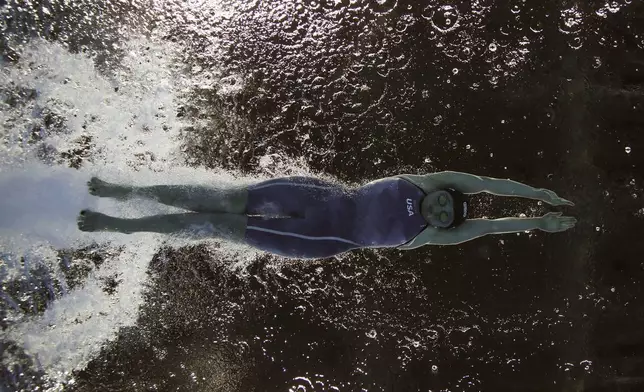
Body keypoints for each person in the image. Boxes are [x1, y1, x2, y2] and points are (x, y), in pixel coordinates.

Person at [77, 171, 576, 258]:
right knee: (227, 199)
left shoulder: (431, 235)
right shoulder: (430, 182)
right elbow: (489, 187)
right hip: (322, 198)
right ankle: (127, 189)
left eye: (446, 215)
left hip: (319, 241)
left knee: (223, 226)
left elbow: (490, 224)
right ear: (443, 189)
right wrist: (536, 193)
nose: (441, 206)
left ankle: (120, 224)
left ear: (444, 227)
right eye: (447, 199)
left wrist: (537, 222)